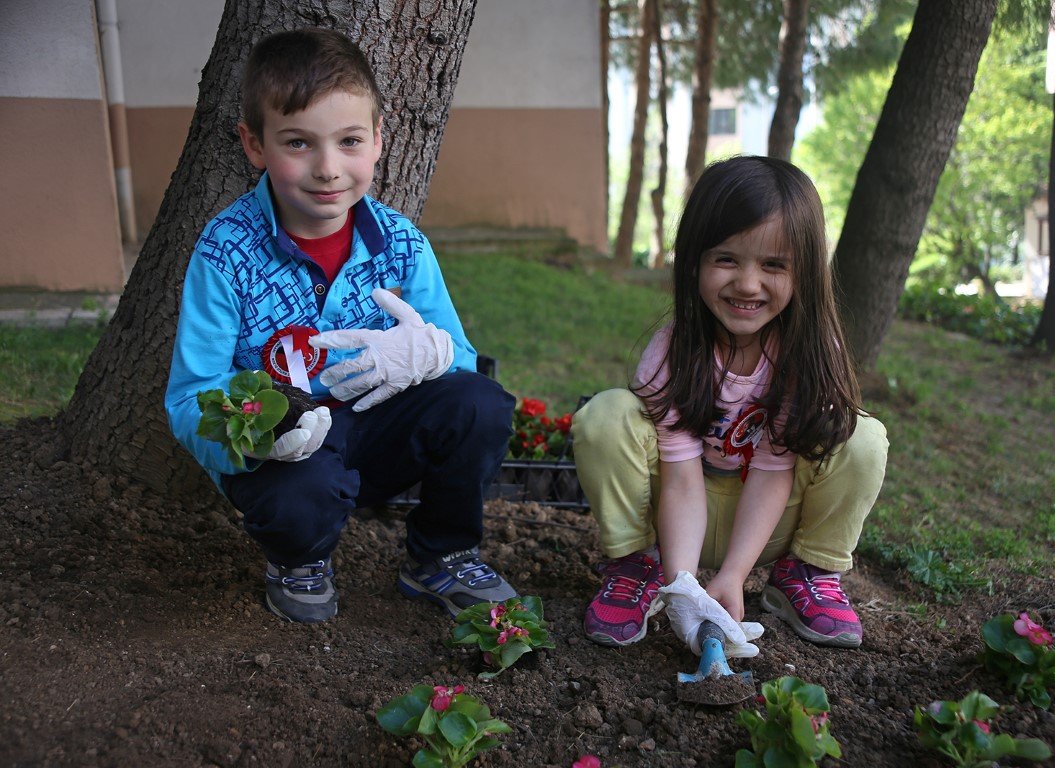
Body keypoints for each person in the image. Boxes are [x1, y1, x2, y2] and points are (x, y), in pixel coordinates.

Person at [165, 28, 517, 624]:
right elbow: (187, 397)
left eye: (350, 140)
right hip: (289, 452)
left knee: (481, 404)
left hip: (378, 428)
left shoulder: (401, 243)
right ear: (255, 145)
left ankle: (442, 554)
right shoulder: (225, 251)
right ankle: (299, 557)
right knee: (298, 498)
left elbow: (457, 355)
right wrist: (259, 430)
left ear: (380, 141)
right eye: (298, 143)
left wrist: (426, 355)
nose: (329, 169)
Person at [573, 156, 888, 658]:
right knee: (608, 415)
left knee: (860, 436)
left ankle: (803, 573)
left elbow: (772, 470)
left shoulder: (808, 352)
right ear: (693, 259)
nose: (746, 283)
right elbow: (678, 477)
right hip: (674, 515)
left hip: (766, 519)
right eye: (726, 259)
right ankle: (639, 568)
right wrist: (685, 586)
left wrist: (735, 575)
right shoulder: (671, 352)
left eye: (773, 265)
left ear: (804, 272)